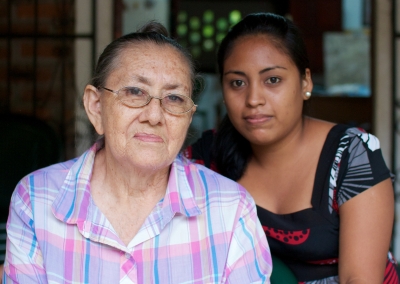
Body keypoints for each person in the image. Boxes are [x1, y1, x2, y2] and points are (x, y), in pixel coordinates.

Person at [2, 21, 272, 283]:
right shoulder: (36, 199)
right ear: (96, 106)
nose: (154, 116)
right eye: (134, 92)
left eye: (174, 98)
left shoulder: (230, 208)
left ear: (189, 117)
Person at [184, 12, 399, 283]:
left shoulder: (351, 155)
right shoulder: (207, 156)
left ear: (305, 82)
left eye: (272, 80)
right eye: (237, 83)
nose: (253, 99)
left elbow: (359, 279)